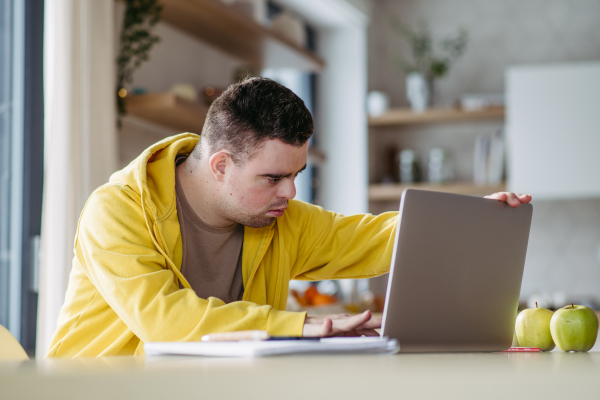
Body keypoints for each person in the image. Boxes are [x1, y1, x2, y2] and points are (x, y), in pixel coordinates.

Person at [47, 77, 531, 357]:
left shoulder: (279, 218)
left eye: (296, 174)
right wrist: (299, 326)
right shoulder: (115, 211)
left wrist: (470, 216)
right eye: (273, 178)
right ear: (221, 166)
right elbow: (164, 319)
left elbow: (363, 238)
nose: (290, 192)